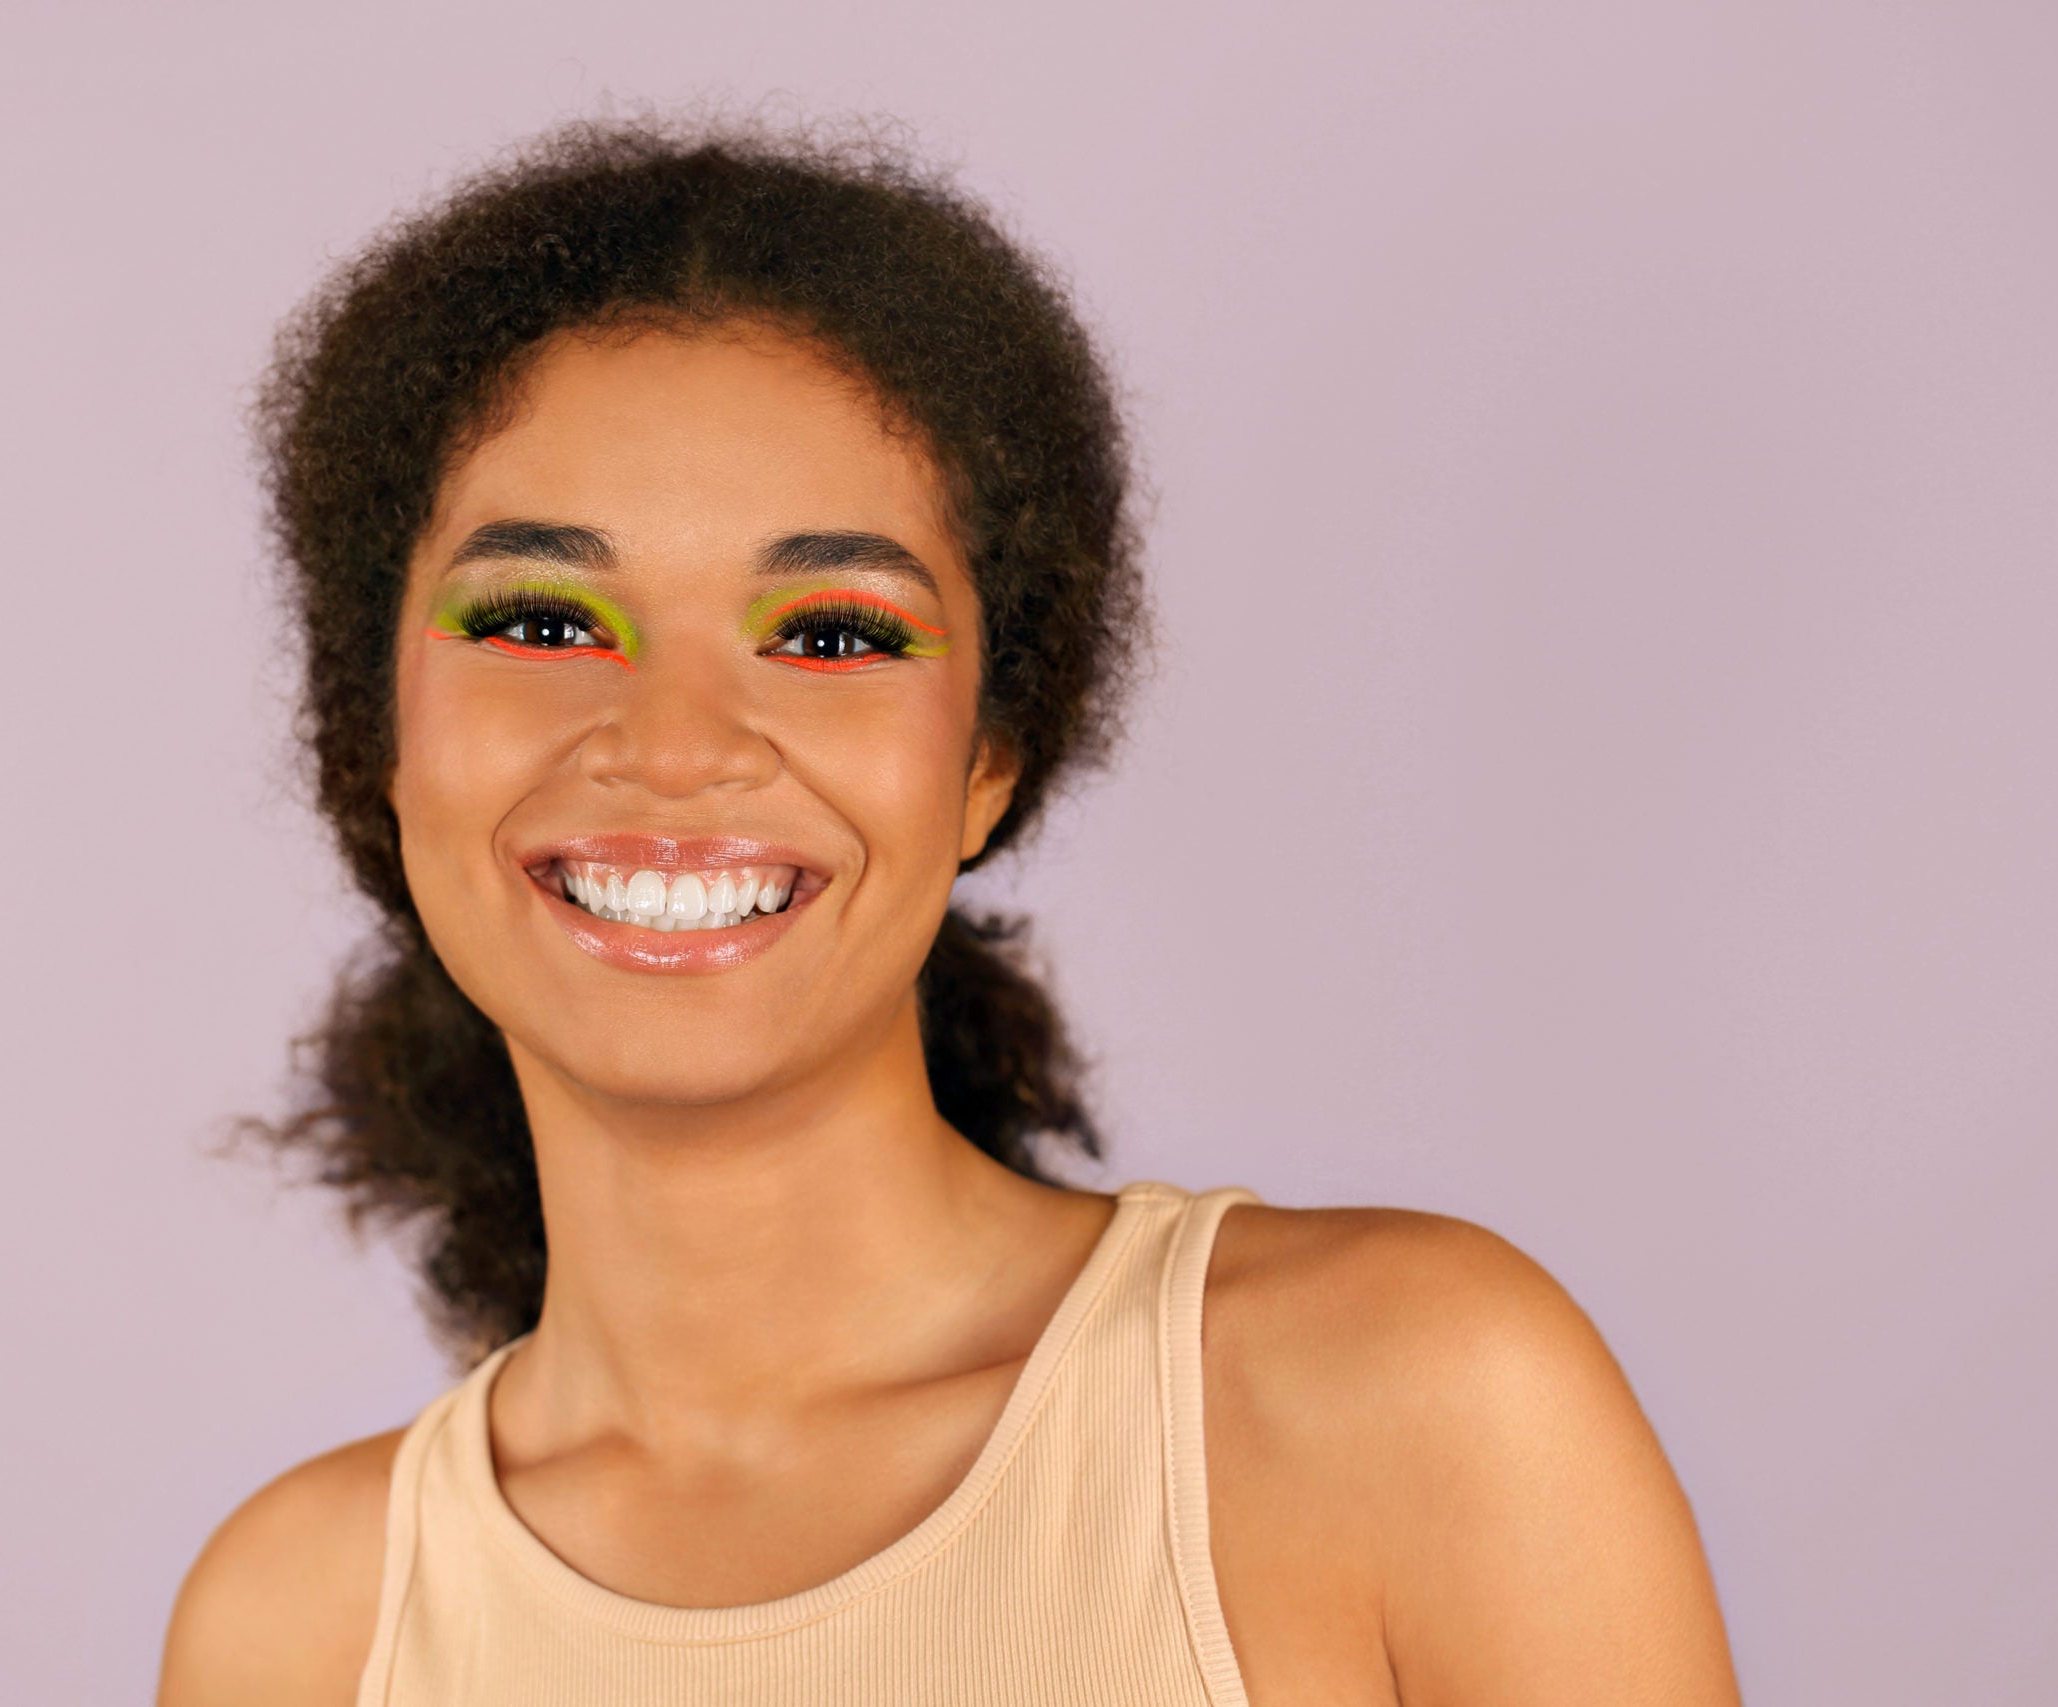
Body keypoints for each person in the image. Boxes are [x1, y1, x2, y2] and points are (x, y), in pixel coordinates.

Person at [156, 123, 1741, 1707]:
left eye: (834, 634)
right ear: (376, 734)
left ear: (989, 759)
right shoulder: (296, 1629)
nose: (676, 745)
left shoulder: (1410, 1405)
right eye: (546, 620)